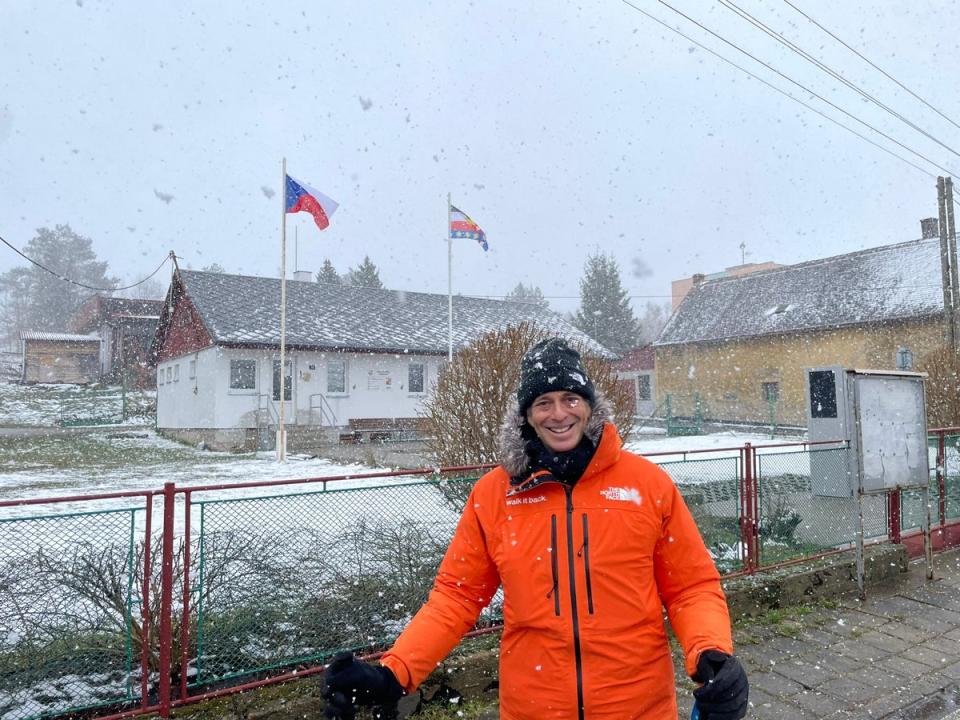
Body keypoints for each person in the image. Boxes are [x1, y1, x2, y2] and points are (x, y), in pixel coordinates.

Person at [323, 337, 748, 720]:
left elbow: (691, 586)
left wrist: (711, 651)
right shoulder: (494, 495)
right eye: (543, 402)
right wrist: (395, 673)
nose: (559, 413)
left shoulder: (647, 484)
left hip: (636, 705)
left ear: (590, 406)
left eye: (570, 398)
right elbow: (456, 596)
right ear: (527, 415)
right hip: (534, 706)